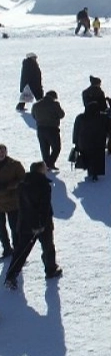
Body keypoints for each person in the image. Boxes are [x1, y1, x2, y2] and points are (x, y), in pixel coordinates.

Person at [4, 161, 64, 291]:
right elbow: (44, 206)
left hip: (25, 222)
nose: (46, 169)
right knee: (48, 247)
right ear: (40, 170)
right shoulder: (43, 185)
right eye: (44, 167)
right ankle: (51, 270)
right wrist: (40, 224)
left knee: (21, 250)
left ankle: (11, 275)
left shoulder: (22, 184)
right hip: (42, 224)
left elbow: (22, 205)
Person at [73, 101, 111, 181]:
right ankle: (95, 173)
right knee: (97, 157)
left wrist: (75, 142)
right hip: (99, 141)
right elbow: (109, 126)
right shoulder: (103, 117)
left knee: (87, 156)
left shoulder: (80, 117)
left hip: (84, 142)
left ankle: (89, 170)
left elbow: (76, 130)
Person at [0, 144, 25, 258]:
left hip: (12, 202)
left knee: (15, 227)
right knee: (1, 229)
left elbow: (23, 180)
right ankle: (6, 249)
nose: (1, 154)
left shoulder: (15, 165)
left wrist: (8, 186)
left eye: (2, 152)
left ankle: (18, 250)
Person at [30, 90, 65, 171]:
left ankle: (46, 165)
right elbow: (62, 115)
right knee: (56, 148)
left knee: (44, 149)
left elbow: (33, 115)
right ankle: (50, 164)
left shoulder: (36, 104)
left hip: (40, 129)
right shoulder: (54, 104)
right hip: (52, 129)